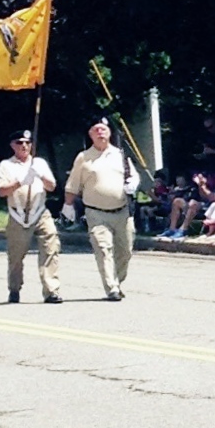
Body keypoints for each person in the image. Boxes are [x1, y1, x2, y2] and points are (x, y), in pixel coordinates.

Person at [63, 118, 139, 300]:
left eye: (103, 129)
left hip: (122, 212)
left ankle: (117, 281)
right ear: (90, 134)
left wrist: (133, 184)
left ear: (109, 132)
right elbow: (72, 185)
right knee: (103, 250)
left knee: (126, 251)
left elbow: (134, 177)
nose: (100, 132)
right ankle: (111, 288)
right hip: (96, 213)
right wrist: (68, 205)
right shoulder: (83, 157)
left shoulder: (121, 154)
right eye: (96, 129)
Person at [0, 130, 62, 304]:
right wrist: (20, 182)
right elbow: (2, 191)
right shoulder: (6, 165)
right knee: (16, 256)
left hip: (40, 212)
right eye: (19, 142)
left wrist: (39, 175)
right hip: (18, 213)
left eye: (27, 142)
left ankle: (51, 290)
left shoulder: (39, 163)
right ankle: (14, 288)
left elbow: (52, 186)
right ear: (12, 145)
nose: (24, 146)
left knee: (51, 249)